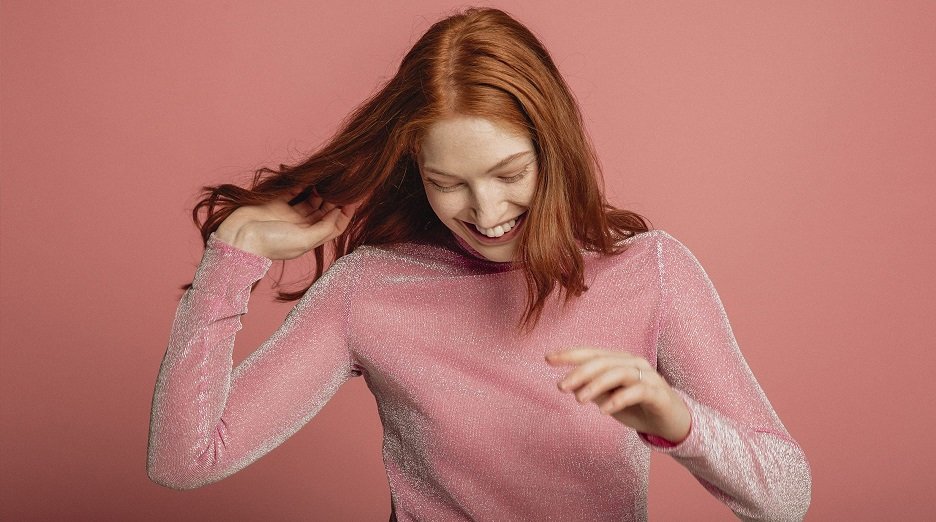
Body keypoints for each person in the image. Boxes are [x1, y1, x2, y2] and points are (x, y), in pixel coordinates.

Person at [146, 6, 811, 521]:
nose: (485, 208)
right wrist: (229, 266)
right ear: (417, 172)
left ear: (552, 150)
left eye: (508, 172)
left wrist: (676, 421)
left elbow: (785, 497)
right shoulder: (369, 291)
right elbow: (185, 460)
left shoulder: (650, 273)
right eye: (449, 182)